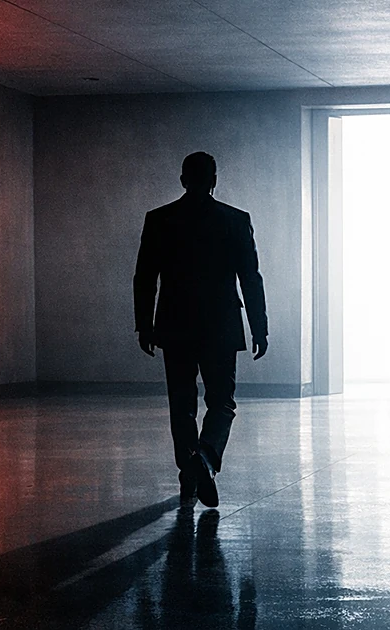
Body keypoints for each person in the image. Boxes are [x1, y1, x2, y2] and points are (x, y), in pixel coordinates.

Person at [133, 152, 268, 508]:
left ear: (182, 180)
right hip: (221, 325)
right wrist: (259, 327)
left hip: (175, 324)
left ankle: (189, 470)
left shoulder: (160, 220)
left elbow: (145, 278)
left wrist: (144, 325)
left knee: (182, 404)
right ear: (214, 180)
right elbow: (250, 278)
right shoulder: (236, 221)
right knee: (221, 402)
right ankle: (204, 460)